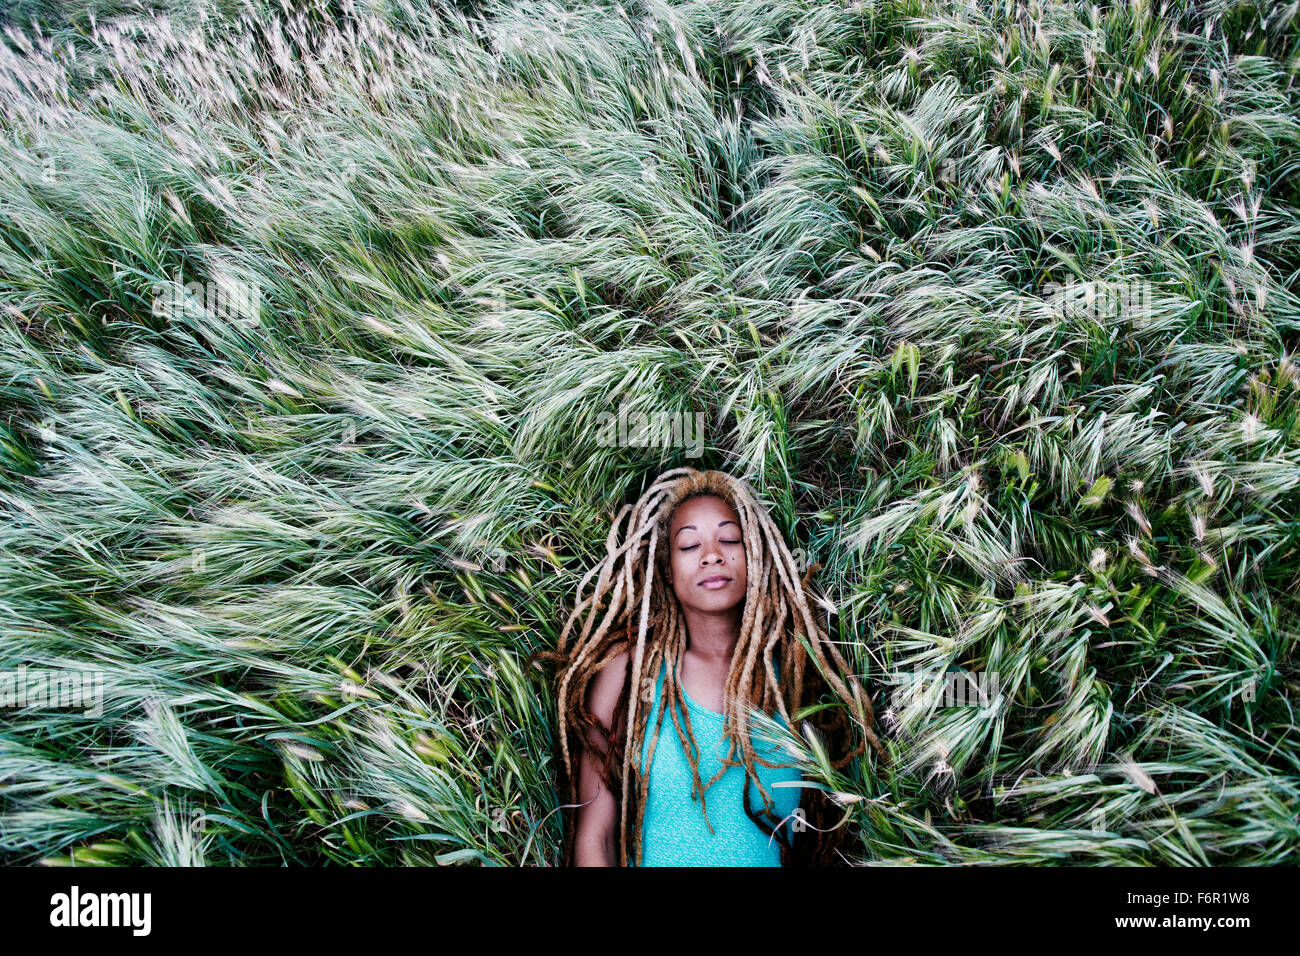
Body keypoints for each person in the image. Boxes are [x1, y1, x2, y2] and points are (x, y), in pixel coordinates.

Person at [534, 467, 888, 866]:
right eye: (688, 545)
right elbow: (595, 837)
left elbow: (832, 828)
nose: (712, 555)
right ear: (666, 570)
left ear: (754, 555)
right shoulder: (629, 673)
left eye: (730, 539)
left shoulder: (797, 678)